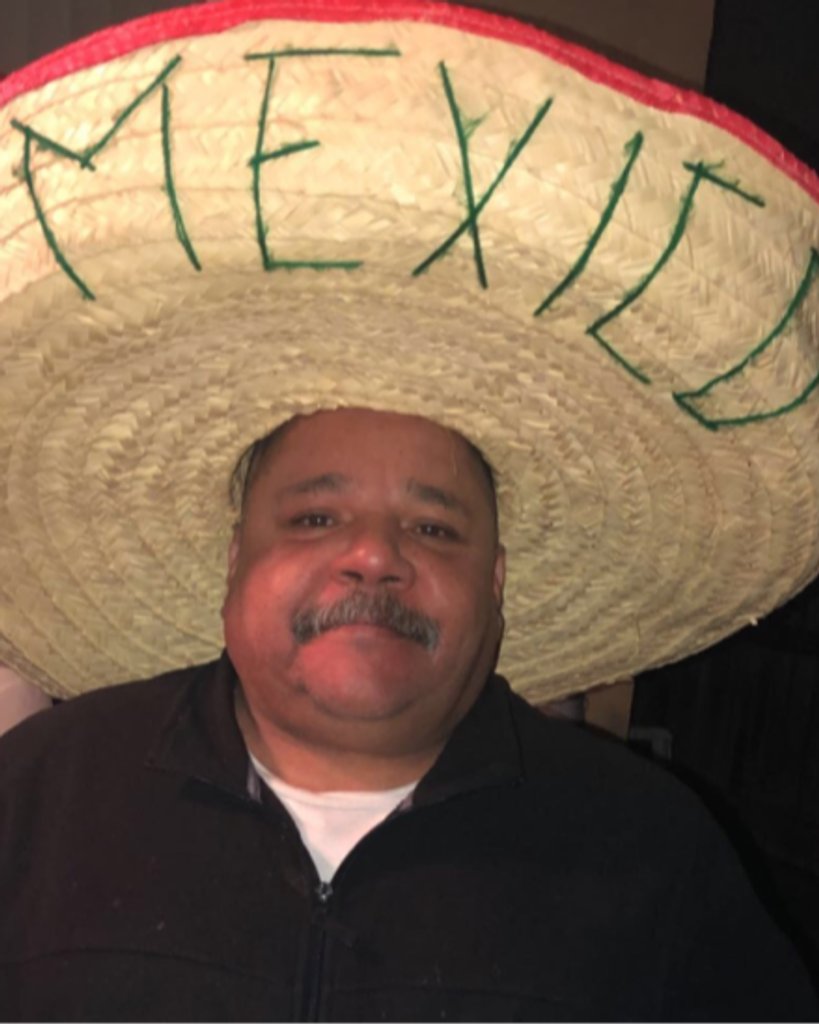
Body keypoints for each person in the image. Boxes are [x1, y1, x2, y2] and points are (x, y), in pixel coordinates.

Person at [1, 2, 818, 1021]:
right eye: (313, 518)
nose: (373, 557)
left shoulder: (654, 853)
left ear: (496, 582)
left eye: (433, 529)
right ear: (232, 558)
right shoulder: (40, 795)